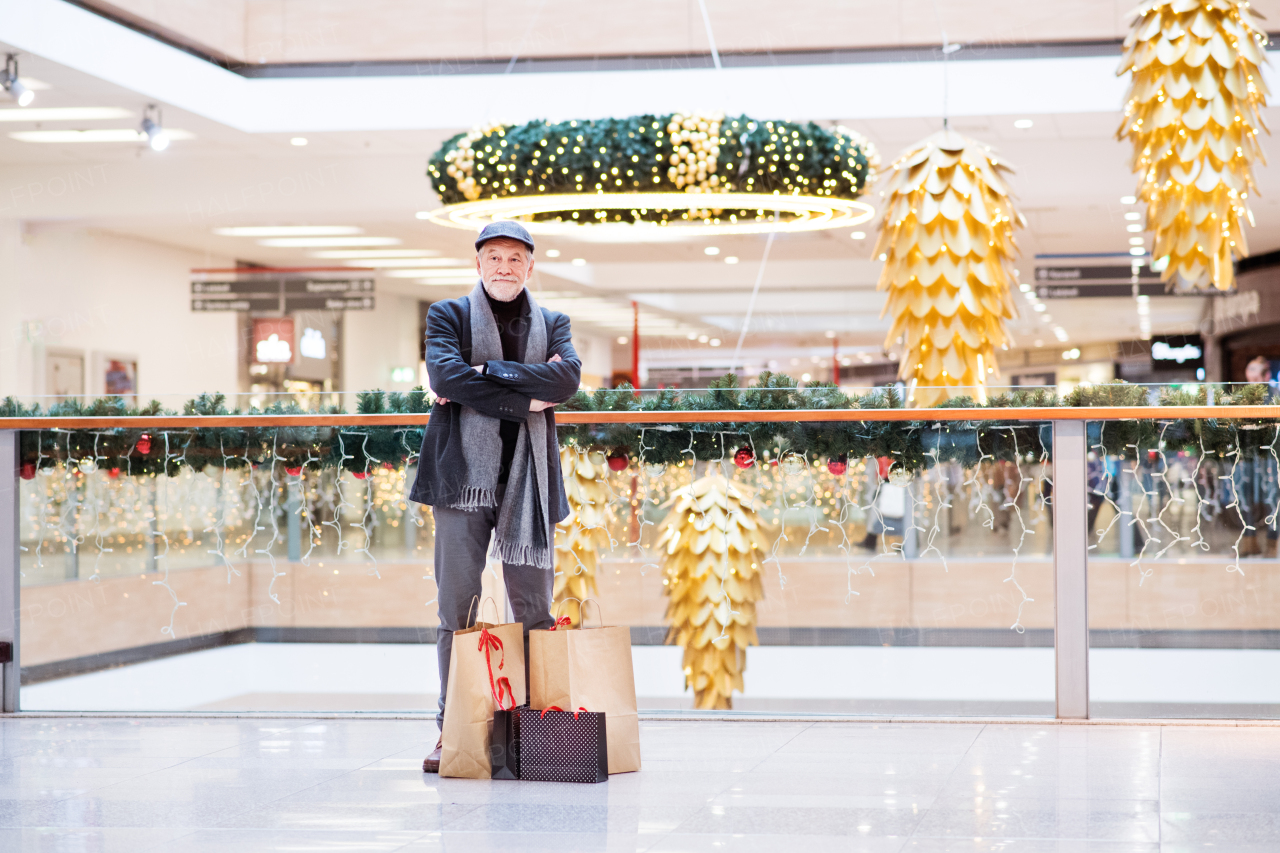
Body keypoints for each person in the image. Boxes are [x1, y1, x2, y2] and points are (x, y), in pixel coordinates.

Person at [409, 221, 582, 773]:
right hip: (463, 482)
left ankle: (534, 734)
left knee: (534, 610)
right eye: (493, 257)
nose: (504, 267)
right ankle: (451, 731)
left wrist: (490, 373)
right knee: (455, 611)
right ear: (477, 264)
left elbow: (565, 383)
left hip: (527, 484)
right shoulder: (449, 316)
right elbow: (447, 376)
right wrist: (523, 395)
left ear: (531, 267)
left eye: (515, 259)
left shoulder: (555, 322)